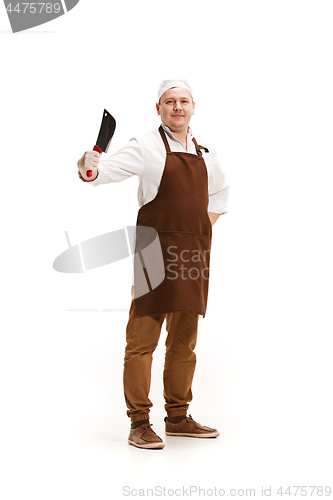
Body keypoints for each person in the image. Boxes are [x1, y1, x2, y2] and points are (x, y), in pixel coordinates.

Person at [77, 79, 230, 449]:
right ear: (158, 109)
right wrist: (89, 165)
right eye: (169, 102)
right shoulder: (146, 147)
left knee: (184, 341)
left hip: (192, 254)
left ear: (193, 107)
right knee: (142, 339)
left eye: (183, 101)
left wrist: (196, 231)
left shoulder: (206, 153)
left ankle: (178, 416)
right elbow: (99, 175)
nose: (177, 107)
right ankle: (139, 422)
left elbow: (221, 193)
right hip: (153, 252)